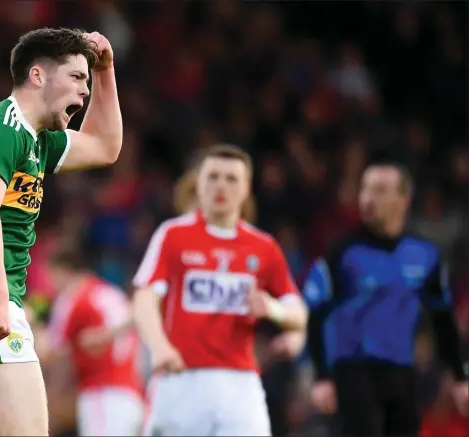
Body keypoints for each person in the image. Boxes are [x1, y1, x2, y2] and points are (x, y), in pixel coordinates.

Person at [0, 28, 122, 436]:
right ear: (37, 76)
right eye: (77, 77)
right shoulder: (2, 127)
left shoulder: (37, 139)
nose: (84, 92)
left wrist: (106, 71)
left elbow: (105, 146)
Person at [132, 144, 308, 436]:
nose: (221, 186)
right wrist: (159, 346)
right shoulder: (173, 235)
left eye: (231, 178)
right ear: (198, 184)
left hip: (240, 383)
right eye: (212, 177)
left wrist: (273, 309)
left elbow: (298, 313)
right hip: (182, 378)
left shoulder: (263, 247)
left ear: (246, 189)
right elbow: (144, 297)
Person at [304, 161, 469, 436]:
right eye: (365, 189)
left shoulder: (424, 254)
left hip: (402, 372)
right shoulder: (342, 252)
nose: (368, 198)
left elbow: (442, 318)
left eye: (380, 190)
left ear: (403, 200)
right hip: (353, 369)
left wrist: (460, 376)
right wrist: (321, 375)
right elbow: (316, 313)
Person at [36, 246, 144, 436]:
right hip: (131, 395)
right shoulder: (110, 292)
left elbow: (50, 353)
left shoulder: (74, 298)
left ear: (61, 271)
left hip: (101, 396)